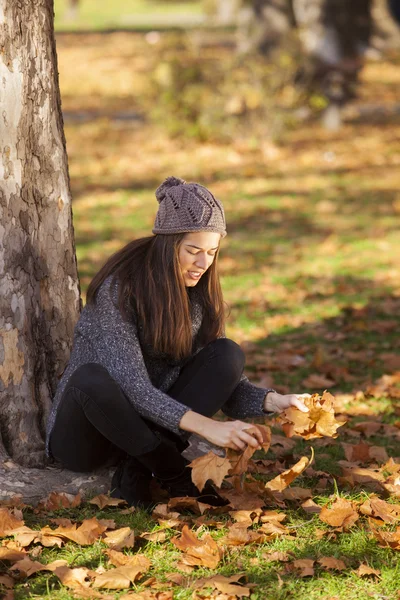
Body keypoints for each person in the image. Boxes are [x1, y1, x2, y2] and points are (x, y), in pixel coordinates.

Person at [46, 176, 310, 509]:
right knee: (91, 378)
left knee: (227, 354)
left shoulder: (198, 295)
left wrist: (276, 401)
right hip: (89, 436)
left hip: (151, 430)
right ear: (168, 244)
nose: (204, 263)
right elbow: (134, 389)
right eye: (193, 251)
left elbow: (226, 385)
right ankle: (174, 476)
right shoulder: (120, 290)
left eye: (212, 252)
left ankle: (137, 471)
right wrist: (208, 427)